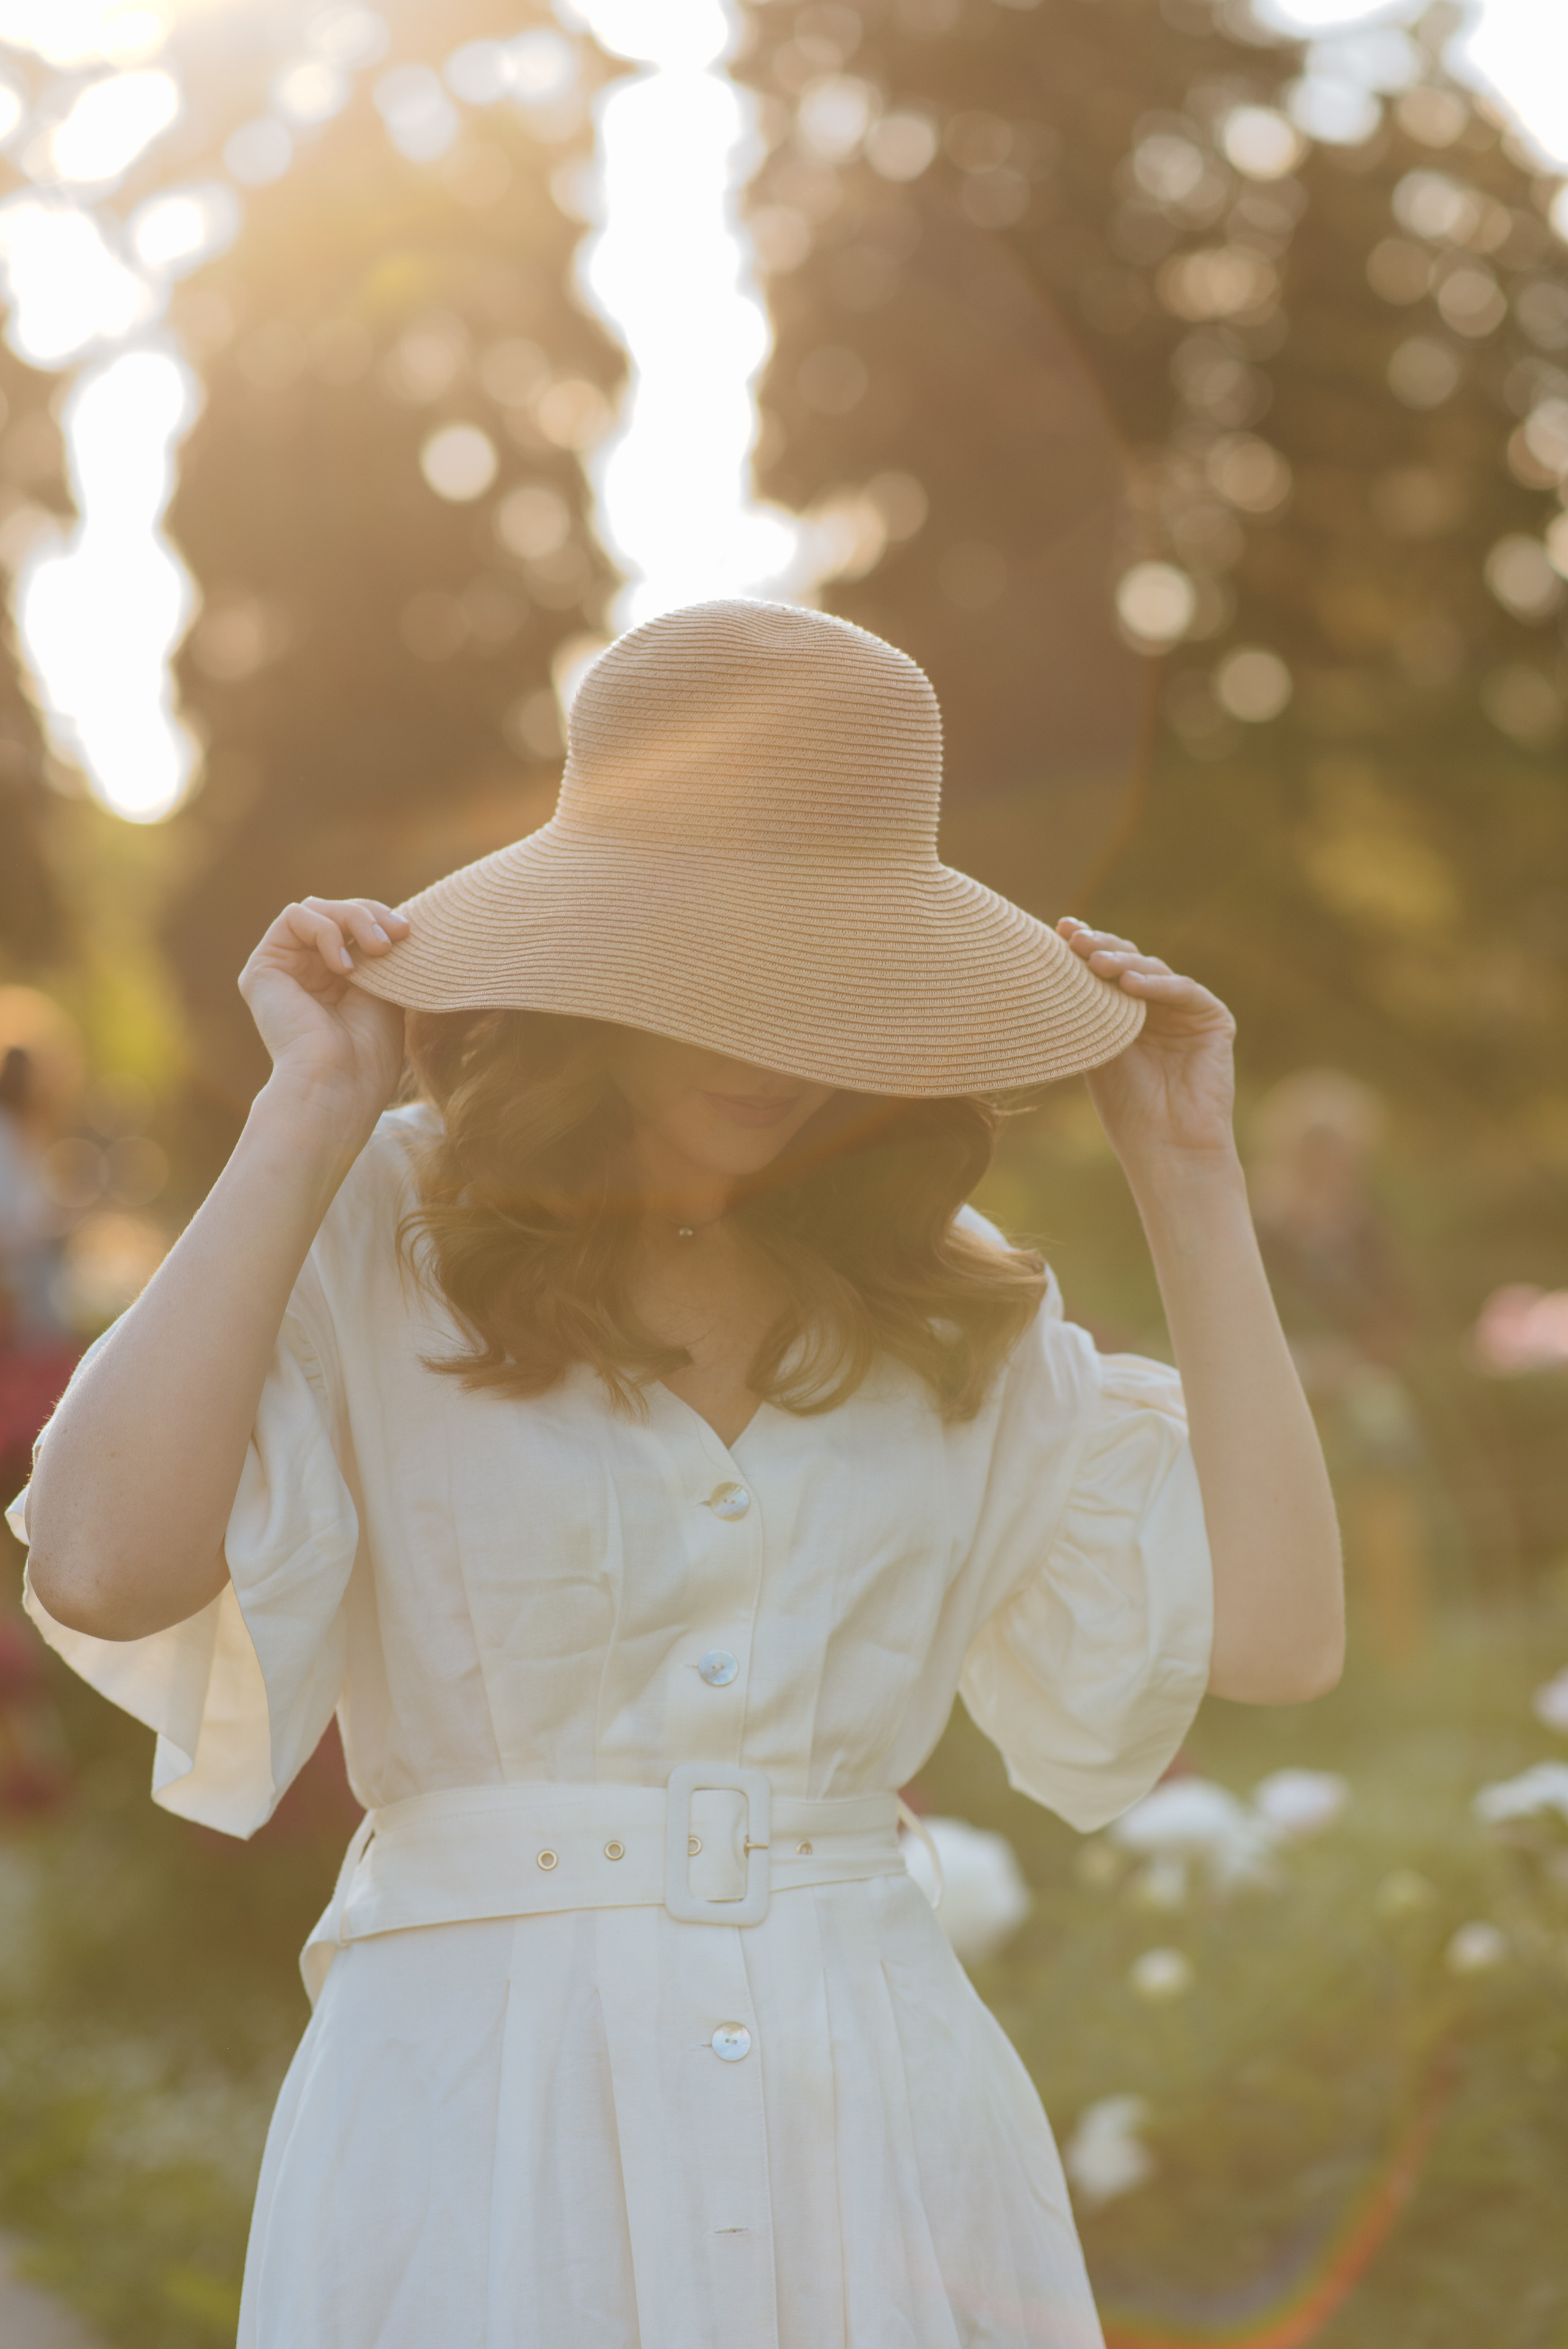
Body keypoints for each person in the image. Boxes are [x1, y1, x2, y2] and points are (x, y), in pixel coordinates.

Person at [9, 601, 1342, 2349]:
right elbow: (102, 1558)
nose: (773, 1040)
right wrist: (305, 1111)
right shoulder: (383, 1215)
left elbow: (1278, 1640)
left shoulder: (943, 1288)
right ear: (597, 954)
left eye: (831, 978)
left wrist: (1188, 1169)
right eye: (715, 965)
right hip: (477, 2116)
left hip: (874, 2127)